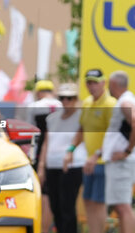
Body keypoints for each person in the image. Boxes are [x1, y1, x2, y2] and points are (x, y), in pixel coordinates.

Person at [64, 69, 116, 233]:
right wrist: (71, 150)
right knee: (87, 200)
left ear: (103, 83)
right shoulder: (86, 103)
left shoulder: (111, 104)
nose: (91, 86)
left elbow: (113, 135)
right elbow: (81, 129)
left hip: (104, 161)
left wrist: (96, 155)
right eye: (89, 82)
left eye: (95, 82)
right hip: (90, 161)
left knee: (98, 203)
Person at [38, 83, 86, 233]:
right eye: (62, 98)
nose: (65, 101)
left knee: (67, 206)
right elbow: (47, 142)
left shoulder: (81, 117)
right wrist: (41, 166)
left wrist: (70, 152)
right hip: (52, 165)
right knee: (55, 206)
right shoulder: (52, 118)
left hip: (72, 166)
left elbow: (82, 136)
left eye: (69, 98)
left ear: (76, 99)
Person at [25, 79, 62, 233]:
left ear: (39, 92)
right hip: (59, 153)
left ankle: (41, 228)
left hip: (40, 152)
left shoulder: (34, 106)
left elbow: (29, 132)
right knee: (53, 193)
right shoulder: (61, 105)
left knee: (40, 192)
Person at [102, 71, 135, 233]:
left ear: (114, 84)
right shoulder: (124, 100)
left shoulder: (125, 101)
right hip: (119, 162)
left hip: (122, 162)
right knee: (121, 207)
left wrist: (127, 151)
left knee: (123, 206)